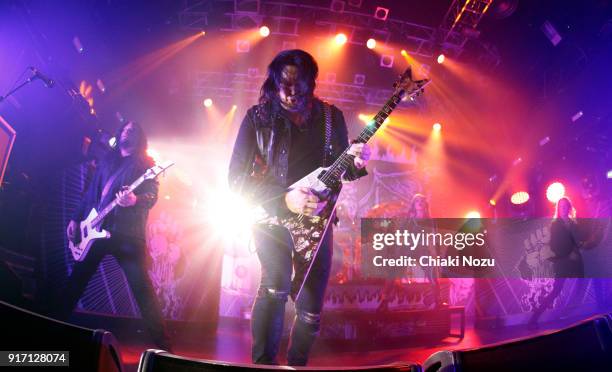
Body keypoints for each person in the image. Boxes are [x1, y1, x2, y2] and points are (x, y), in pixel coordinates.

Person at [228, 49, 370, 366]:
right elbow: (235, 180)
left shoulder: (332, 118)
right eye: (284, 84)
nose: (290, 93)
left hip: (317, 222)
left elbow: (341, 170)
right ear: (274, 81)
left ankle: (296, 364)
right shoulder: (257, 118)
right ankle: (264, 365)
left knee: (311, 310)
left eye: (299, 85)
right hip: (271, 216)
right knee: (275, 283)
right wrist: (284, 199)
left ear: (311, 83)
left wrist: (357, 162)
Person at [59, 121, 171, 351]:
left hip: (128, 236)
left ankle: (166, 349)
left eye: (132, 130)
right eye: (125, 129)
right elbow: (91, 192)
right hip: (96, 230)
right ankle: (51, 325)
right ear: (119, 133)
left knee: (143, 291)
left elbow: (152, 195)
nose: (127, 132)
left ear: (139, 137)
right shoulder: (107, 160)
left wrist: (135, 200)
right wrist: (76, 218)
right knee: (76, 280)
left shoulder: (145, 165)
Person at [528, 196, 583, 327]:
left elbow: (577, 241)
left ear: (569, 208)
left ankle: (570, 314)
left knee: (583, 283)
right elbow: (555, 246)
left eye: (565, 206)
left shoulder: (573, 223)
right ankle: (533, 320)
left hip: (574, 261)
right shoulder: (555, 225)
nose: (563, 209)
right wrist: (569, 253)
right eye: (561, 207)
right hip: (563, 261)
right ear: (558, 209)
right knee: (556, 291)